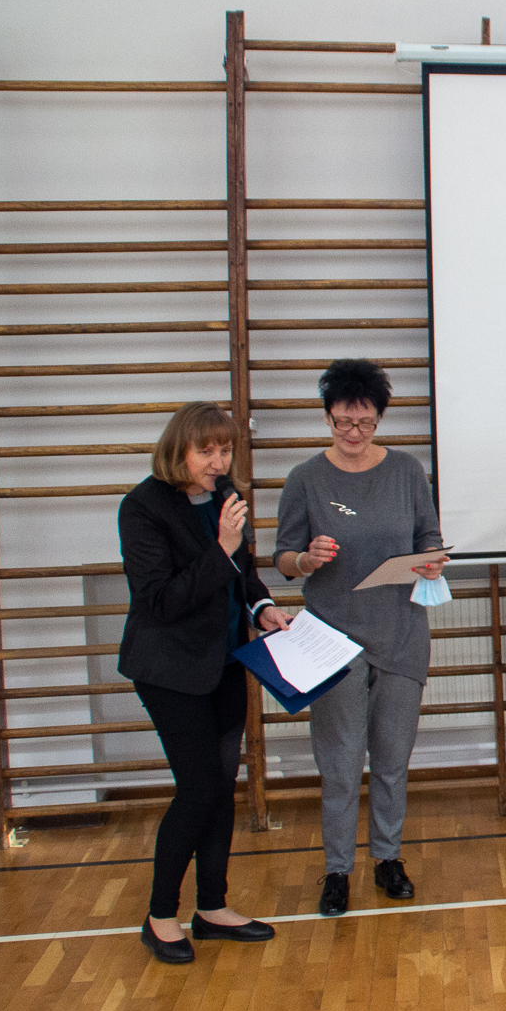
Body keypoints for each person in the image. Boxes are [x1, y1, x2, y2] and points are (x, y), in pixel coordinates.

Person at [118, 402, 289, 963]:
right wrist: (221, 548)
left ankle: (212, 907)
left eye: (225, 450)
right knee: (196, 790)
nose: (218, 462)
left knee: (220, 787)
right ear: (179, 451)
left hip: (224, 663)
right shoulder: (142, 508)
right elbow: (161, 600)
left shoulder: (225, 497)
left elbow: (245, 573)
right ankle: (159, 916)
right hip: (170, 670)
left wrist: (262, 607)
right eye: (206, 451)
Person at [273, 359, 445, 917]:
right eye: (344, 422)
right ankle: (337, 870)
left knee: (392, 760)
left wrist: (431, 560)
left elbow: (430, 536)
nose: (354, 432)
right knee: (342, 764)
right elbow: (282, 558)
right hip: (333, 641)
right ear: (327, 418)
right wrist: (305, 559)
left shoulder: (406, 471)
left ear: (379, 420)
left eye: (365, 422)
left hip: (400, 633)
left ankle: (388, 858)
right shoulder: (305, 479)